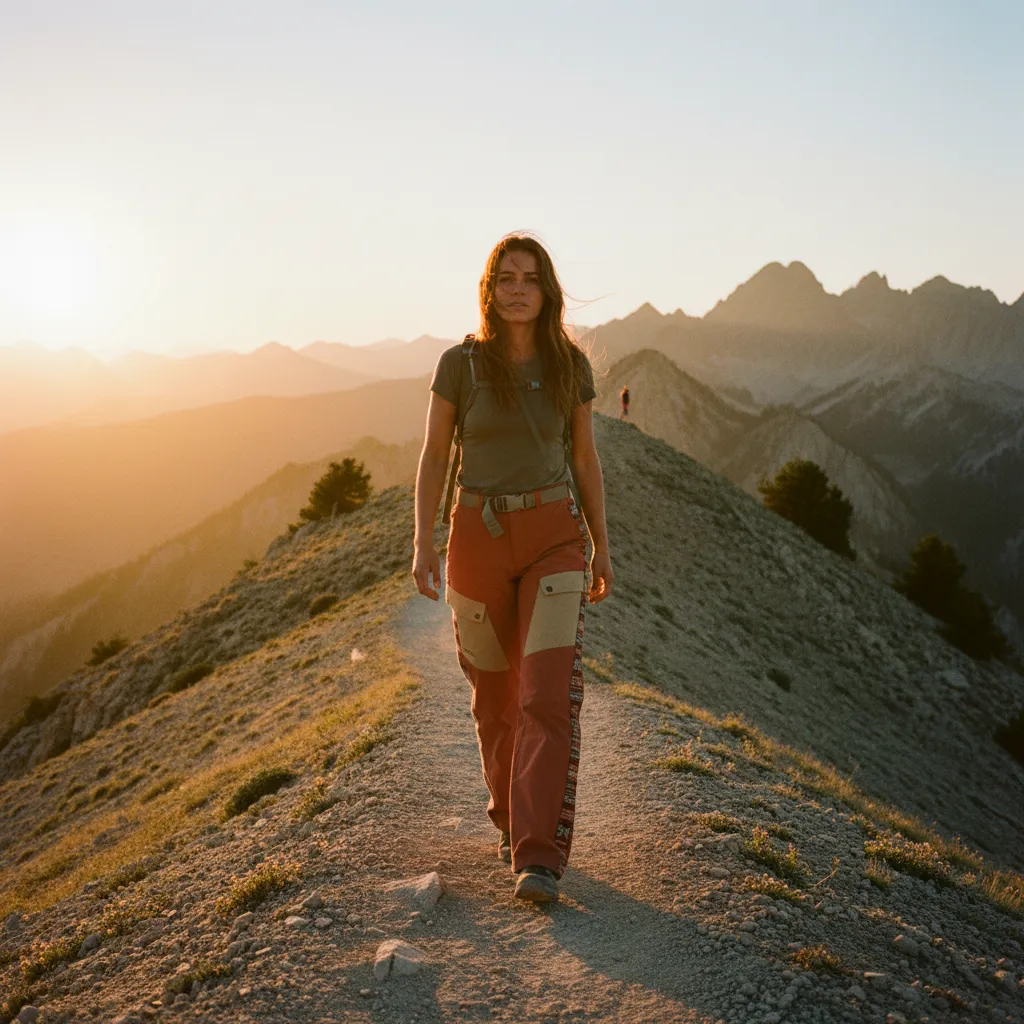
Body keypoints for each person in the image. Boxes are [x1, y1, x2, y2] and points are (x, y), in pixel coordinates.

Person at [412, 233, 614, 903]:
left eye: (532, 277)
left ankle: (537, 855)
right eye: (508, 277)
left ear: (547, 290)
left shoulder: (570, 367)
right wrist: (423, 541)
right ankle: (509, 818)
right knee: (494, 698)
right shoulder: (459, 366)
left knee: (545, 696)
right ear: (491, 290)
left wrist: (601, 548)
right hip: (476, 536)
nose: (519, 288)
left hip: (555, 536)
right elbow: (435, 457)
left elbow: (585, 460)